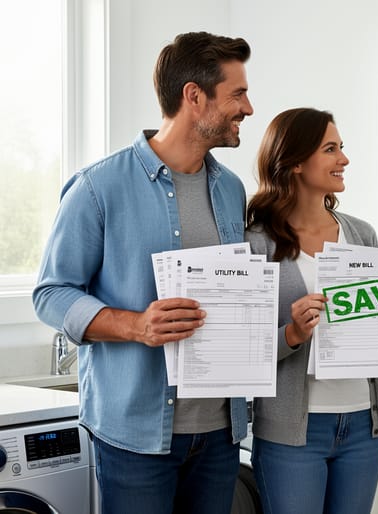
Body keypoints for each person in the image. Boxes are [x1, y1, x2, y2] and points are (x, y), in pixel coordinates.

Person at [32, 32, 254, 513]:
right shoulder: (97, 187)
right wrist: (136, 325)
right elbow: (51, 293)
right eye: (237, 94)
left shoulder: (232, 189)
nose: (248, 108)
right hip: (134, 437)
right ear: (194, 97)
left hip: (220, 434)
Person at [245, 107, 378, 514]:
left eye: (341, 148)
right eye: (331, 149)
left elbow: (369, 331)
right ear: (293, 162)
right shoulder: (255, 243)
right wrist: (292, 334)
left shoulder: (362, 234)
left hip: (363, 424)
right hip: (293, 433)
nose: (344, 159)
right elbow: (241, 349)